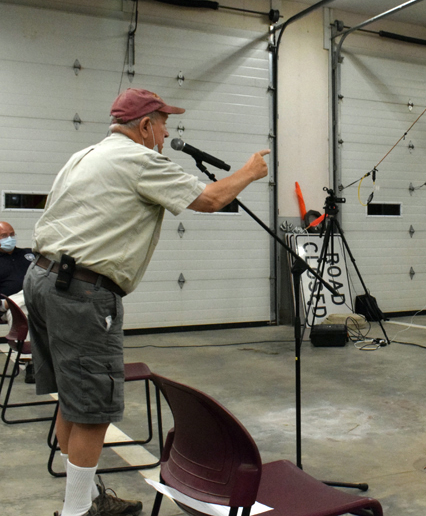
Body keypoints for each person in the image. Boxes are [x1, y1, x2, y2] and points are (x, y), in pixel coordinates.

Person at [24, 88, 270, 516]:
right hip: (81, 292)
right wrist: (249, 172)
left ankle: (82, 500)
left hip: (43, 279)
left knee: (72, 396)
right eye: (163, 123)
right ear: (145, 126)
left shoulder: (85, 155)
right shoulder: (139, 160)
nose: (166, 132)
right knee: (93, 410)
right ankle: (76, 512)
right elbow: (210, 200)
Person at [0, 221, 36, 382]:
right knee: (21, 306)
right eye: (3, 236)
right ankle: (31, 364)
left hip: (37, 300)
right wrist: (6, 303)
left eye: (11, 234)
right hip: (5, 306)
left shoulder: (29, 254)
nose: (9, 238)